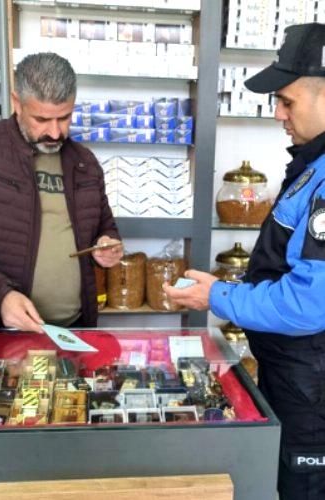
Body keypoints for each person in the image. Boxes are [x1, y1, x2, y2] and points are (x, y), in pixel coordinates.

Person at [165, 23, 325, 500]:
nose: (278, 113)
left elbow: (308, 304)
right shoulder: (312, 167)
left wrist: (217, 294)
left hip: (312, 391)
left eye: (287, 100)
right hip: (295, 379)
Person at [0, 52, 122, 333]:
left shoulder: (85, 162)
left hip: (75, 329)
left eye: (64, 118)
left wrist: (108, 244)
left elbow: (107, 226)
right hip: (6, 332)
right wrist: (0, 296)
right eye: (42, 119)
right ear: (17, 103)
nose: (54, 133)